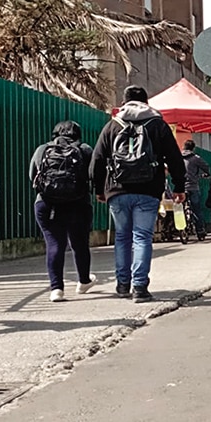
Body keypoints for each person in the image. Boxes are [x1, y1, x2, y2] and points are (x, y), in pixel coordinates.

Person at [91, 85, 185, 303]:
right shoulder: (158, 125)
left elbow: (97, 160)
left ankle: (123, 284)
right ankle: (140, 288)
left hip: (117, 190)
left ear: (123, 103)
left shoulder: (112, 125)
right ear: (146, 102)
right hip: (148, 190)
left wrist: (99, 190)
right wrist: (179, 187)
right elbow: (174, 158)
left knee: (122, 237)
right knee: (142, 237)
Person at [30, 121, 96, 303]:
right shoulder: (84, 150)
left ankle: (56, 289)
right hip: (78, 203)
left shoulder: (43, 150)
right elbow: (93, 175)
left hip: (47, 204)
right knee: (80, 243)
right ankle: (84, 281)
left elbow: (32, 176)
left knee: (54, 244)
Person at [181, 140, 210, 238]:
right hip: (193, 186)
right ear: (193, 148)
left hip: (181, 187)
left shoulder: (178, 157)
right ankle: (200, 230)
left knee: (180, 209)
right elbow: (206, 166)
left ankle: (181, 229)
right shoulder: (195, 158)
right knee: (197, 209)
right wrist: (206, 174)